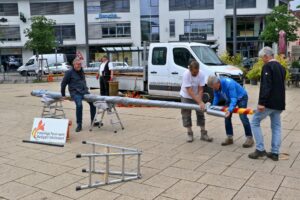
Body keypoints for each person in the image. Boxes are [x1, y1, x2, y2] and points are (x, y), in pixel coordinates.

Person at [248, 47, 286, 161]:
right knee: (276, 127)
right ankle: (275, 153)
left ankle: (260, 149)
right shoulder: (282, 68)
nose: (262, 60)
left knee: (254, 122)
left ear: (266, 56)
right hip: (279, 103)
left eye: (262, 58)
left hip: (269, 103)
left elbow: (266, 86)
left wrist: (261, 102)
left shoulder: (267, 66)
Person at [207, 75, 254, 147]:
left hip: (241, 97)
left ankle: (249, 138)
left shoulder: (229, 83)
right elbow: (216, 97)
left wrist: (230, 110)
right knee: (227, 116)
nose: (213, 89)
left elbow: (234, 98)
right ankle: (229, 137)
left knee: (243, 117)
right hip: (230, 98)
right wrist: (213, 107)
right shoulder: (215, 86)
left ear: (218, 83)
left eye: (213, 87)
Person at [61, 58, 98, 132]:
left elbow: (83, 81)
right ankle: (79, 124)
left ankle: (93, 121)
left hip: (84, 91)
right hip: (75, 93)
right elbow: (63, 83)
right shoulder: (69, 72)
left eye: (80, 64)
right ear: (74, 64)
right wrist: (63, 95)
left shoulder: (81, 71)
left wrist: (86, 90)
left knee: (93, 103)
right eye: (78, 64)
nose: (79, 66)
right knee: (79, 105)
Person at [180, 60, 213, 143]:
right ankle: (189, 133)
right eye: (194, 72)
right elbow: (189, 91)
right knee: (186, 113)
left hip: (197, 95)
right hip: (186, 95)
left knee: (200, 112)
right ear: (190, 70)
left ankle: (203, 133)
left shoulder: (201, 74)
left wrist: (200, 101)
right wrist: (199, 102)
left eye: (197, 71)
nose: (196, 74)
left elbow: (201, 89)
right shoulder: (186, 74)